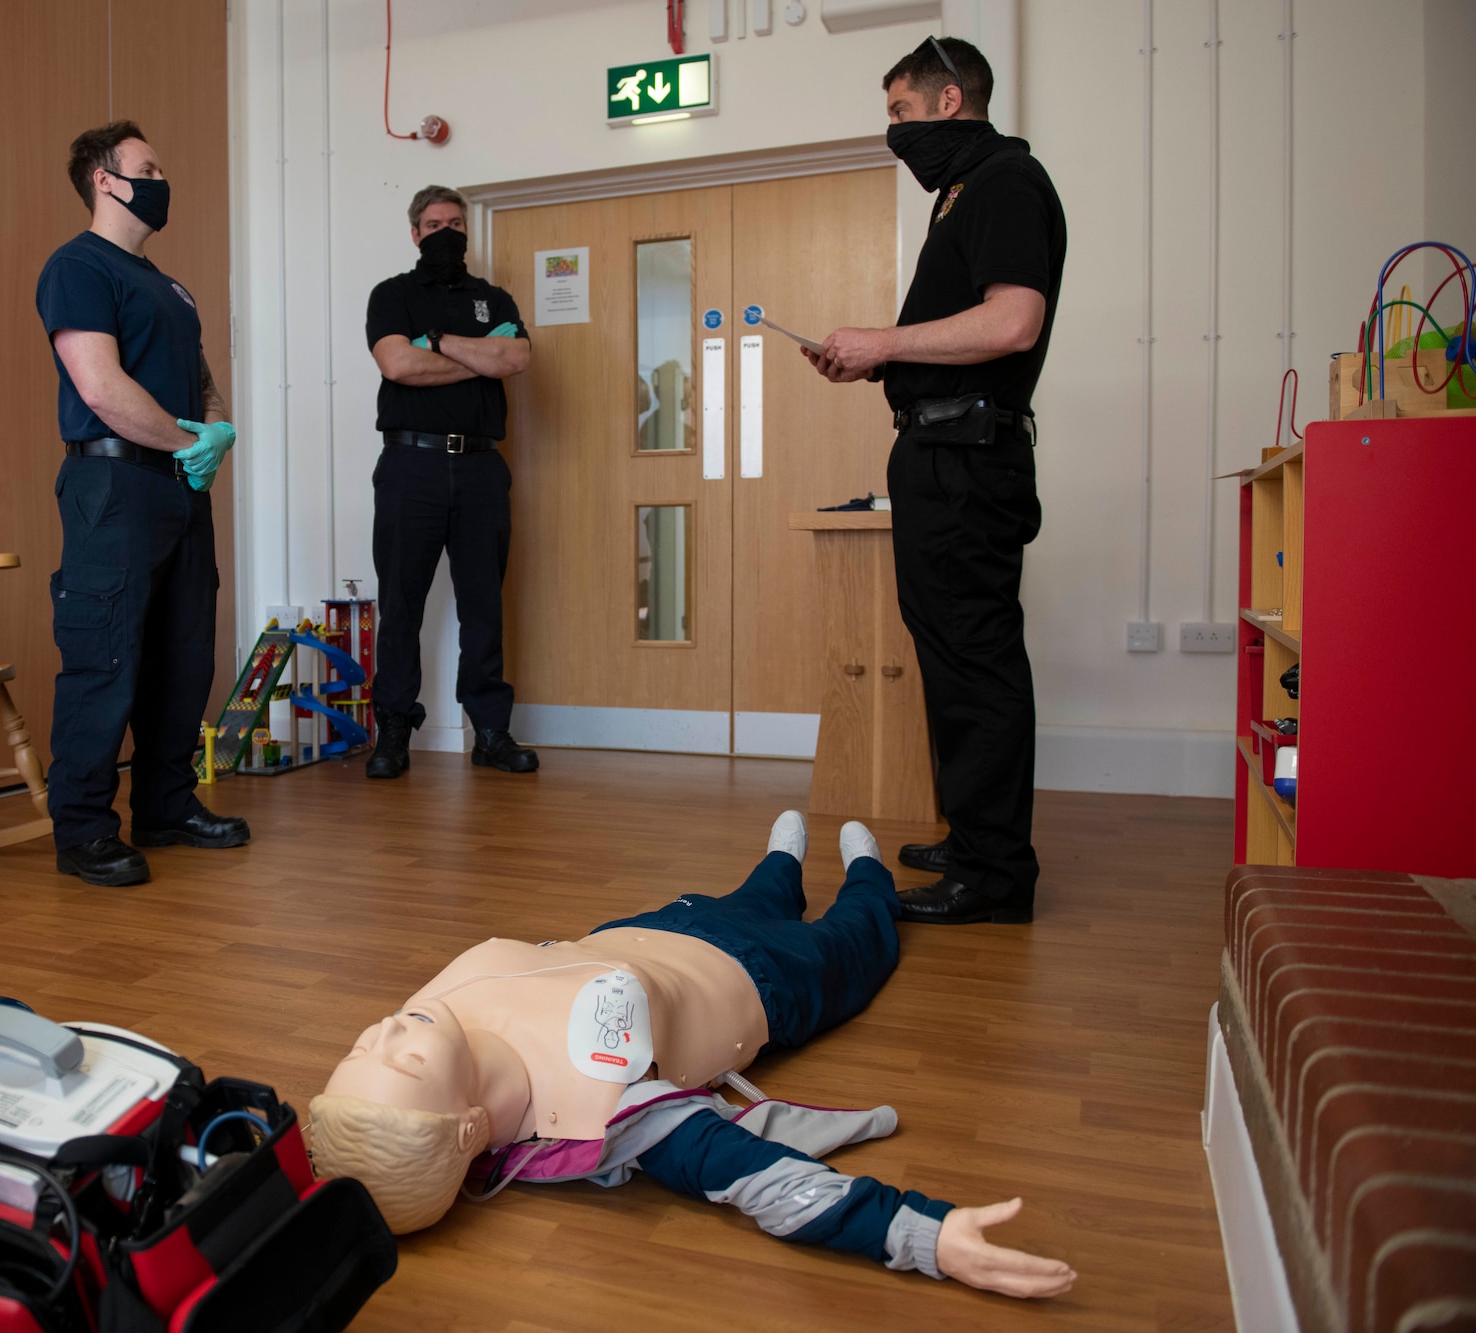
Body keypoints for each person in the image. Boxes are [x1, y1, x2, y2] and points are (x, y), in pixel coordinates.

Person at [308, 813, 1077, 1300]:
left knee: (751, 893)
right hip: (768, 980)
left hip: (650, 929)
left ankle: (781, 861)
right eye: (399, 1060)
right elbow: (760, 1179)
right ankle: (867, 872)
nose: (386, 1031)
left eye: (361, 1043)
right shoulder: (603, 1109)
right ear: (472, 1125)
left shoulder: (434, 1013)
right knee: (862, 933)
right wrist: (924, 1234)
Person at [802, 37, 1066, 926]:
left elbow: (1012, 320)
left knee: (975, 655)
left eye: (901, 114)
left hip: (967, 458)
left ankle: (995, 876)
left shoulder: (1003, 183)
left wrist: (884, 342)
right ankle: (975, 837)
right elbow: (957, 336)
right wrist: (877, 365)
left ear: (951, 101)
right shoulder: (962, 192)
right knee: (950, 651)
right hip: (938, 449)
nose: (895, 132)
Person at [34, 121, 248, 888]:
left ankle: (166, 804)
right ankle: (85, 828)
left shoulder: (170, 285)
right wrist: (183, 439)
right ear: (105, 179)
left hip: (178, 485)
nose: (162, 179)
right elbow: (101, 387)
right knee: (107, 655)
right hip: (114, 486)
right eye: (147, 167)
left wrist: (214, 429)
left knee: (183, 655)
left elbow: (200, 380)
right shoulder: (79, 267)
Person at [362, 186, 538, 780]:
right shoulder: (393, 295)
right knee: (402, 603)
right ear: (415, 233)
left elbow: (514, 360)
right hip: (411, 464)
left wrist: (436, 343)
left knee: (484, 603)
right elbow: (397, 365)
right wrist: (476, 357)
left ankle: (490, 731)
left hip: (483, 467)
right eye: (435, 223)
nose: (446, 232)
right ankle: (391, 733)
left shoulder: (493, 298)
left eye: (456, 223)